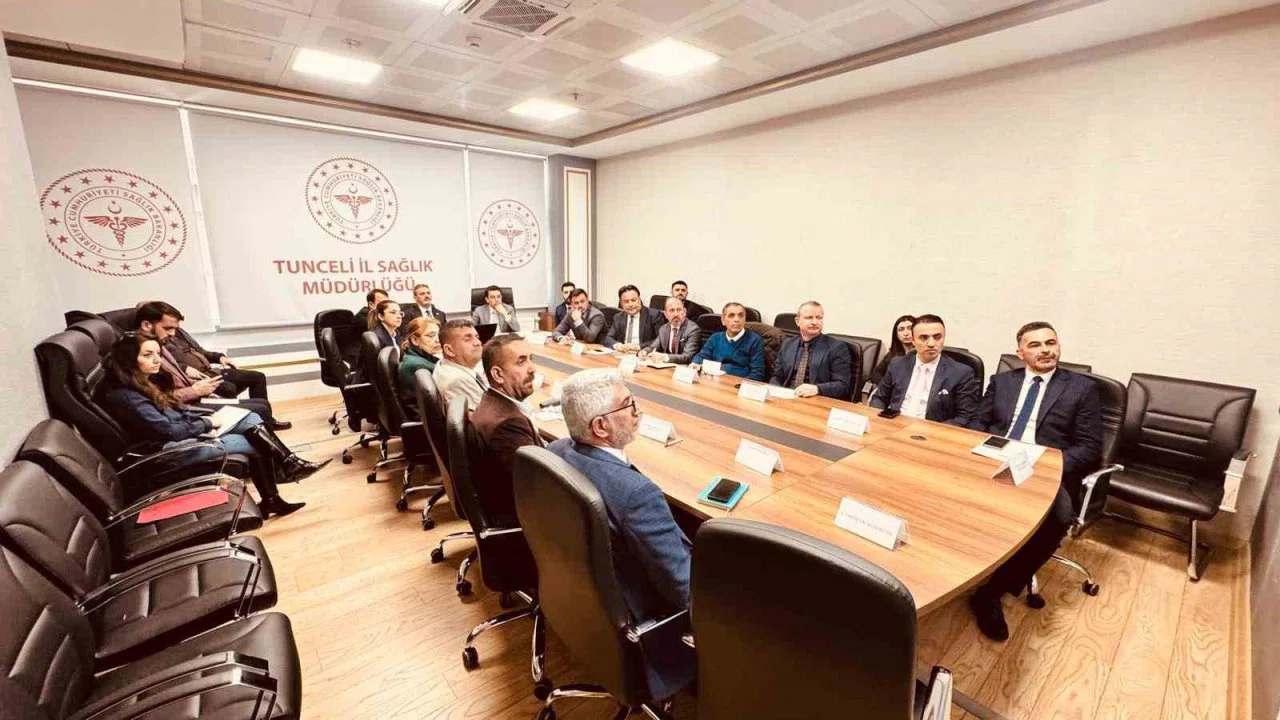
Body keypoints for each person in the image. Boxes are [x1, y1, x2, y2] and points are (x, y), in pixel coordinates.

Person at [547, 369, 694, 700]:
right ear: (601, 426)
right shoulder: (637, 495)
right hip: (645, 624)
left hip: (583, 608)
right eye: (629, 405)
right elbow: (683, 587)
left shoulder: (556, 450)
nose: (638, 411)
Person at [966, 321, 1103, 641]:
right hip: (994, 459)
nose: (1045, 350)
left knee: (1057, 519)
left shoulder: (1081, 388)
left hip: (1045, 471)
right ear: (1020, 352)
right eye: (1035, 345)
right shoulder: (1002, 382)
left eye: (1050, 343)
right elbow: (977, 423)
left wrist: (1046, 465)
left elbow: (1089, 448)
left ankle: (991, 592)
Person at [101, 334, 326, 518]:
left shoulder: (143, 383)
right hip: (169, 451)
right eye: (147, 355)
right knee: (255, 441)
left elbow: (174, 414)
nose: (157, 360)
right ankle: (282, 477)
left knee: (250, 418)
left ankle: (284, 473)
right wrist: (206, 423)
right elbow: (171, 431)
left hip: (181, 436)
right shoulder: (127, 397)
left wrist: (202, 420)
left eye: (158, 354)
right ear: (129, 359)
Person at [134, 302, 285, 429]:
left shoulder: (161, 344)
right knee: (258, 407)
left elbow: (196, 354)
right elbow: (157, 397)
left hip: (199, 389)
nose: (173, 333)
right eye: (168, 328)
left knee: (261, 401)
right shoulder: (139, 353)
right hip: (187, 407)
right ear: (146, 324)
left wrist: (218, 359)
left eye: (175, 328)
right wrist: (194, 390)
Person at [471, 334, 543, 527]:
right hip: (528, 522)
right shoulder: (507, 425)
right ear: (497, 375)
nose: (532, 368)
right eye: (521, 362)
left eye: (531, 359)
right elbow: (540, 486)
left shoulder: (492, 402)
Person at [870, 314, 978, 426]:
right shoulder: (898, 364)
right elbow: (880, 398)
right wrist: (879, 421)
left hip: (933, 431)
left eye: (937, 337)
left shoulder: (961, 373)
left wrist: (932, 431)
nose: (931, 344)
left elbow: (965, 417)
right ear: (913, 340)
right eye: (923, 338)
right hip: (894, 425)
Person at [768, 301, 852, 399]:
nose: (814, 322)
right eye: (809, 318)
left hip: (816, 399)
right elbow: (777, 376)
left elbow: (842, 385)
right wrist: (776, 391)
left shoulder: (836, 347)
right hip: (786, 397)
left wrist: (818, 389)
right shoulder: (788, 344)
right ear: (797, 321)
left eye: (819, 318)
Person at [691, 302, 766, 381]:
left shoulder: (755, 340)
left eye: (741, 315)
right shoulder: (715, 338)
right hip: (714, 381)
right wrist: (695, 364)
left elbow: (757, 374)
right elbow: (702, 356)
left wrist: (740, 386)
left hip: (739, 384)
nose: (737, 320)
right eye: (731, 316)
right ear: (723, 320)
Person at [433, 319, 488, 410]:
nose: (478, 343)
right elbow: (487, 416)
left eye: (477, 337)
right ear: (449, 350)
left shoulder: (444, 365)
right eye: (468, 339)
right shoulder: (459, 381)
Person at [640, 296, 702, 365]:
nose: (676, 314)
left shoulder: (693, 329)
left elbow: (688, 357)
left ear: (684, 312)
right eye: (672, 310)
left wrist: (664, 357)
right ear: (666, 314)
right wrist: (644, 352)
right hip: (666, 366)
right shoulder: (663, 329)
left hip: (685, 367)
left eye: (679, 310)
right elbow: (653, 347)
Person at [397, 316, 441, 409]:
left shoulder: (413, 355)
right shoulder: (417, 364)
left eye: (439, 335)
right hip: (422, 414)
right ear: (415, 340)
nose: (438, 340)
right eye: (431, 336)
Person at [603, 284, 662, 351]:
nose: (630, 304)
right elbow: (608, 338)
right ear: (621, 303)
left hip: (643, 353)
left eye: (633, 300)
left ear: (639, 300)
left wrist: (639, 347)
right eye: (626, 302)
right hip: (623, 353)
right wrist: (619, 346)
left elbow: (660, 340)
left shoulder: (654, 315)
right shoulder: (618, 317)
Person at [869, 314, 917, 389]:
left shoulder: (923, 354)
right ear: (896, 334)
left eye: (909, 328)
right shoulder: (893, 354)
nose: (906, 333)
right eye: (901, 329)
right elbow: (876, 374)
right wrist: (886, 387)